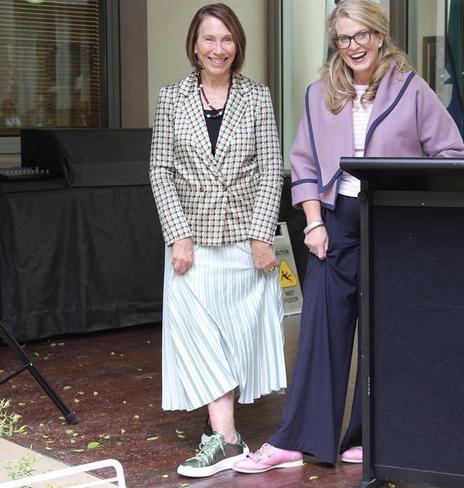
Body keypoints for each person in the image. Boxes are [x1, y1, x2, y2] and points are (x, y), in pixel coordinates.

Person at [233, 0, 464, 474]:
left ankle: (368, 436)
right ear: (335, 44)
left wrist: (413, 205)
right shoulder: (320, 93)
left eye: (362, 35)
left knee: (384, 332)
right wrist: (314, 222)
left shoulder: (411, 89)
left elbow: (450, 150)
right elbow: (303, 163)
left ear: (380, 36)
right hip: (335, 218)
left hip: (392, 222)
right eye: (344, 38)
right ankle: (297, 438)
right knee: (320, 328)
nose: (354, 46)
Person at [149, 3, 286, 479]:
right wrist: (178, 235)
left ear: (238, 45)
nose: (218, 48)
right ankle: (226, 438)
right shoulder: (171, 98)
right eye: (209, 39)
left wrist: (260, 236)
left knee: (232, 342)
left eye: (227, 39)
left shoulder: (257, 97)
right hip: (192, 245)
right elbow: (160, 171)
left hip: (246, 245)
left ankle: (225, 439)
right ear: (194, 44)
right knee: (198, 337)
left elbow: (272, 168)